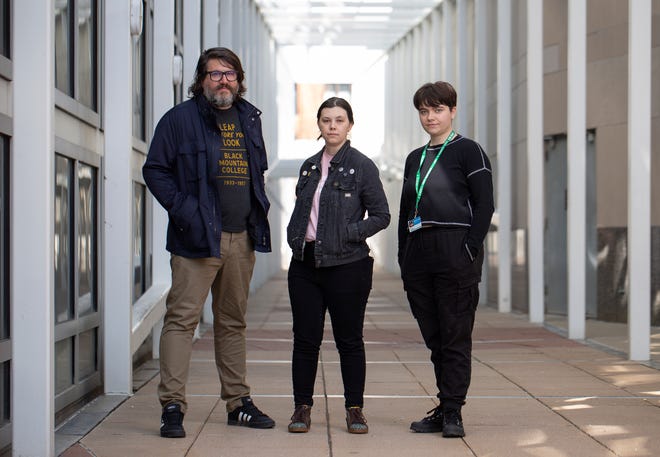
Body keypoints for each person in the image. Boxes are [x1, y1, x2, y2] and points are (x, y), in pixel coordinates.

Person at [143, 47, 275, 438]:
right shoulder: (179, 120)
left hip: (241, 238)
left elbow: (257, 173)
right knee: (182, 320)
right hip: (197, 238)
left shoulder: (250, 118)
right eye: (215, 74)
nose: (223, 81)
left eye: (230, 74)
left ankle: (238, 403)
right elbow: (155, 169)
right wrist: (184, 211)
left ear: (239, 79)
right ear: (201, 79)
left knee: (232, 322)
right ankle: (172, 405)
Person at [285, 97, 390, 434]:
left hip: (347, 265)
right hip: (305, 264)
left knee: (349, 340)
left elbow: (381, 215)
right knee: (305, 340)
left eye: (339, 120)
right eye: (326, 120)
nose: (332, 126)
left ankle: (354, 409)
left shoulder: (362, 166)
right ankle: (302, 408)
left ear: (349, 125)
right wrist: (293, 235)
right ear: (319, 124)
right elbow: (304, 211)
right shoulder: (309, 166)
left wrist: (349, 233)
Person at [398, 81, 494, 438]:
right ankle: (444, 405)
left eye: (437, 110)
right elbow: (407, 209)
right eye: (424, 111)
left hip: (455, 250)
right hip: (419, 254)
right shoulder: (415, 158)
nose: (430, 117)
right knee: (435, 337)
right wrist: (403, 257)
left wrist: (469, 247)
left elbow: (485, 205)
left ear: (452, 111)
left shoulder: (469, 151)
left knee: (455, 336)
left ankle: (453, 412)